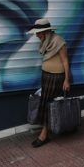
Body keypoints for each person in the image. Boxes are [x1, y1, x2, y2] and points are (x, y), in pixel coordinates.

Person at [27, 18, 71, 148]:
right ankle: (51, 128)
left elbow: (65, 62)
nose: (37, 35)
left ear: (46, 31)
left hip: (56, 78)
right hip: (46, 76)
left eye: (39, 33)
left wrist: (67, 80)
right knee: (48, 104)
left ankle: (44, 135)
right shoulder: (46, 42)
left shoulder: (59, 41)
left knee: (47, 105)